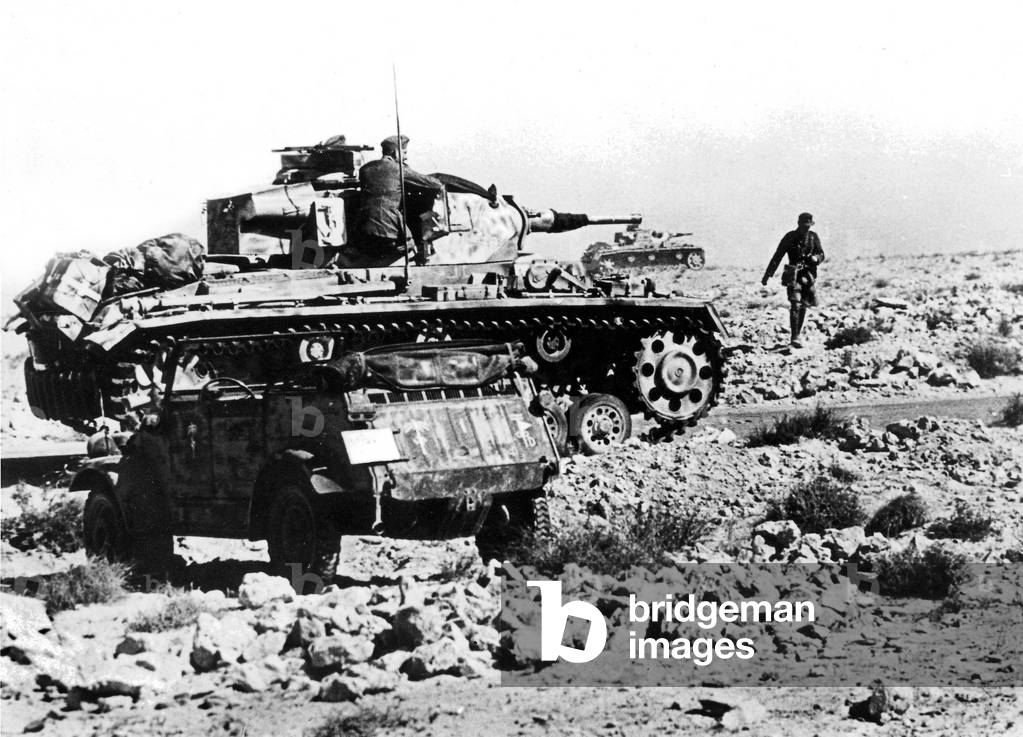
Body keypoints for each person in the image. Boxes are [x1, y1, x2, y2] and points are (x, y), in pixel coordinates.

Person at [354, 134, 443, 262]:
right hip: (389, 230)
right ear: (395, 152)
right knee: (411, 243)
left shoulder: (365, 169)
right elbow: (434, 184)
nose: (406, 156)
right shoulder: (398, 169)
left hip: (363, 229)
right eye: (404, 152)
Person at [761, 212, 826, 348]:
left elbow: (821, 254)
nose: (805, 228)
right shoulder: (790, 237)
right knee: (795, 304)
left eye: (808, 225)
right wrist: (768, 275)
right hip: (793, 274)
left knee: (803, 305)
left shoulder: (813, 237)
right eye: (803, 225)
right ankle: (794, 337)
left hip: (808, 276)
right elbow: (778, 256)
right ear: (799, 224)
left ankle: (798, 334)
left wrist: (816, 259)